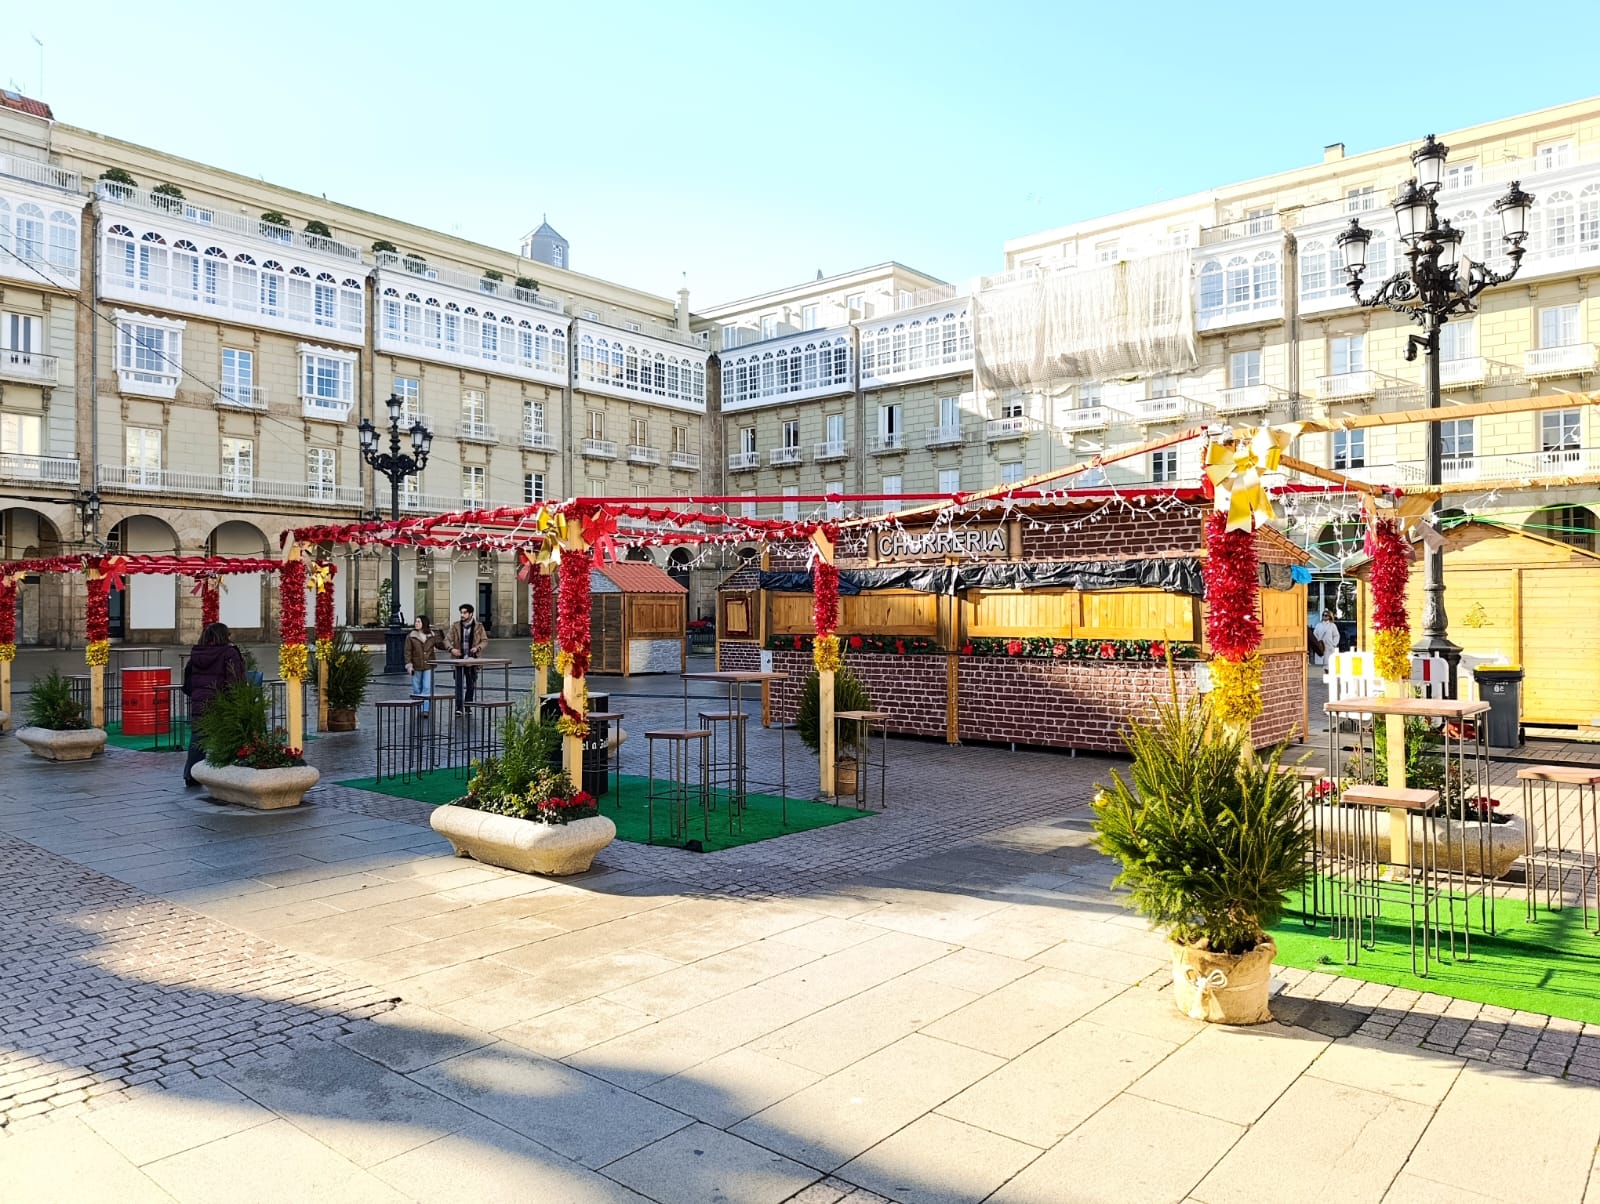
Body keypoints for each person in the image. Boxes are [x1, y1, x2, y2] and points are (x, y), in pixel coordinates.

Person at [182, 621, 246, 788]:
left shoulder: (197, 653)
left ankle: (191, 775)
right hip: (222, 703)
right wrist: (236, 701)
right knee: (227, 739)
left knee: (198, 739)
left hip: (200, 703)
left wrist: (196, 694)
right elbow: (235, 680)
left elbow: (187, 681)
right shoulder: (229, 653)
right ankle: (224, 773)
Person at [446, 603, 489, 713]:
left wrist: (478, 648)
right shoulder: (455, 626)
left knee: (471, 684)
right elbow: (446, 639)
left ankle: (468, 705)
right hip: (459, 660)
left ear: (471, 614)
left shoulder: (478, 626)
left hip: (472, 660)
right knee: (459, 685)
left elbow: (484, 640)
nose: (462, 615)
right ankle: (459, 707)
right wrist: (452, 649)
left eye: (465, 613)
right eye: (461, 612)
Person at [406, 616, 441, 716]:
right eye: (416, 621)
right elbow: (407, 652)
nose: (416, 623)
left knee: (426, 687)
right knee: (417, 688)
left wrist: (449, 645)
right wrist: (409, 665)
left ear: (424, 623)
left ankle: (425, 709)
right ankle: (419, 707)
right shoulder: (411, 636)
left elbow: (439, 645)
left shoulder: (431, 635)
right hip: (416, 665)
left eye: (418, 621)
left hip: (429, 665)